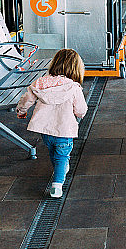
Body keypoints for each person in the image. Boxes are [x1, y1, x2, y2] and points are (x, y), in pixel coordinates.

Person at [16, 49, 87, 198]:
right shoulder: (73, 87)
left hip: (46, 131)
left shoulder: (40, 82)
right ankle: (57, 184)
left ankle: (60, 171)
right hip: (64, 130)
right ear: (76, 68)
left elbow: (26, 99)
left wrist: (21, 111)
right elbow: (81, 109)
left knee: (54, 153)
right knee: (62, 156)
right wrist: (79, 115)